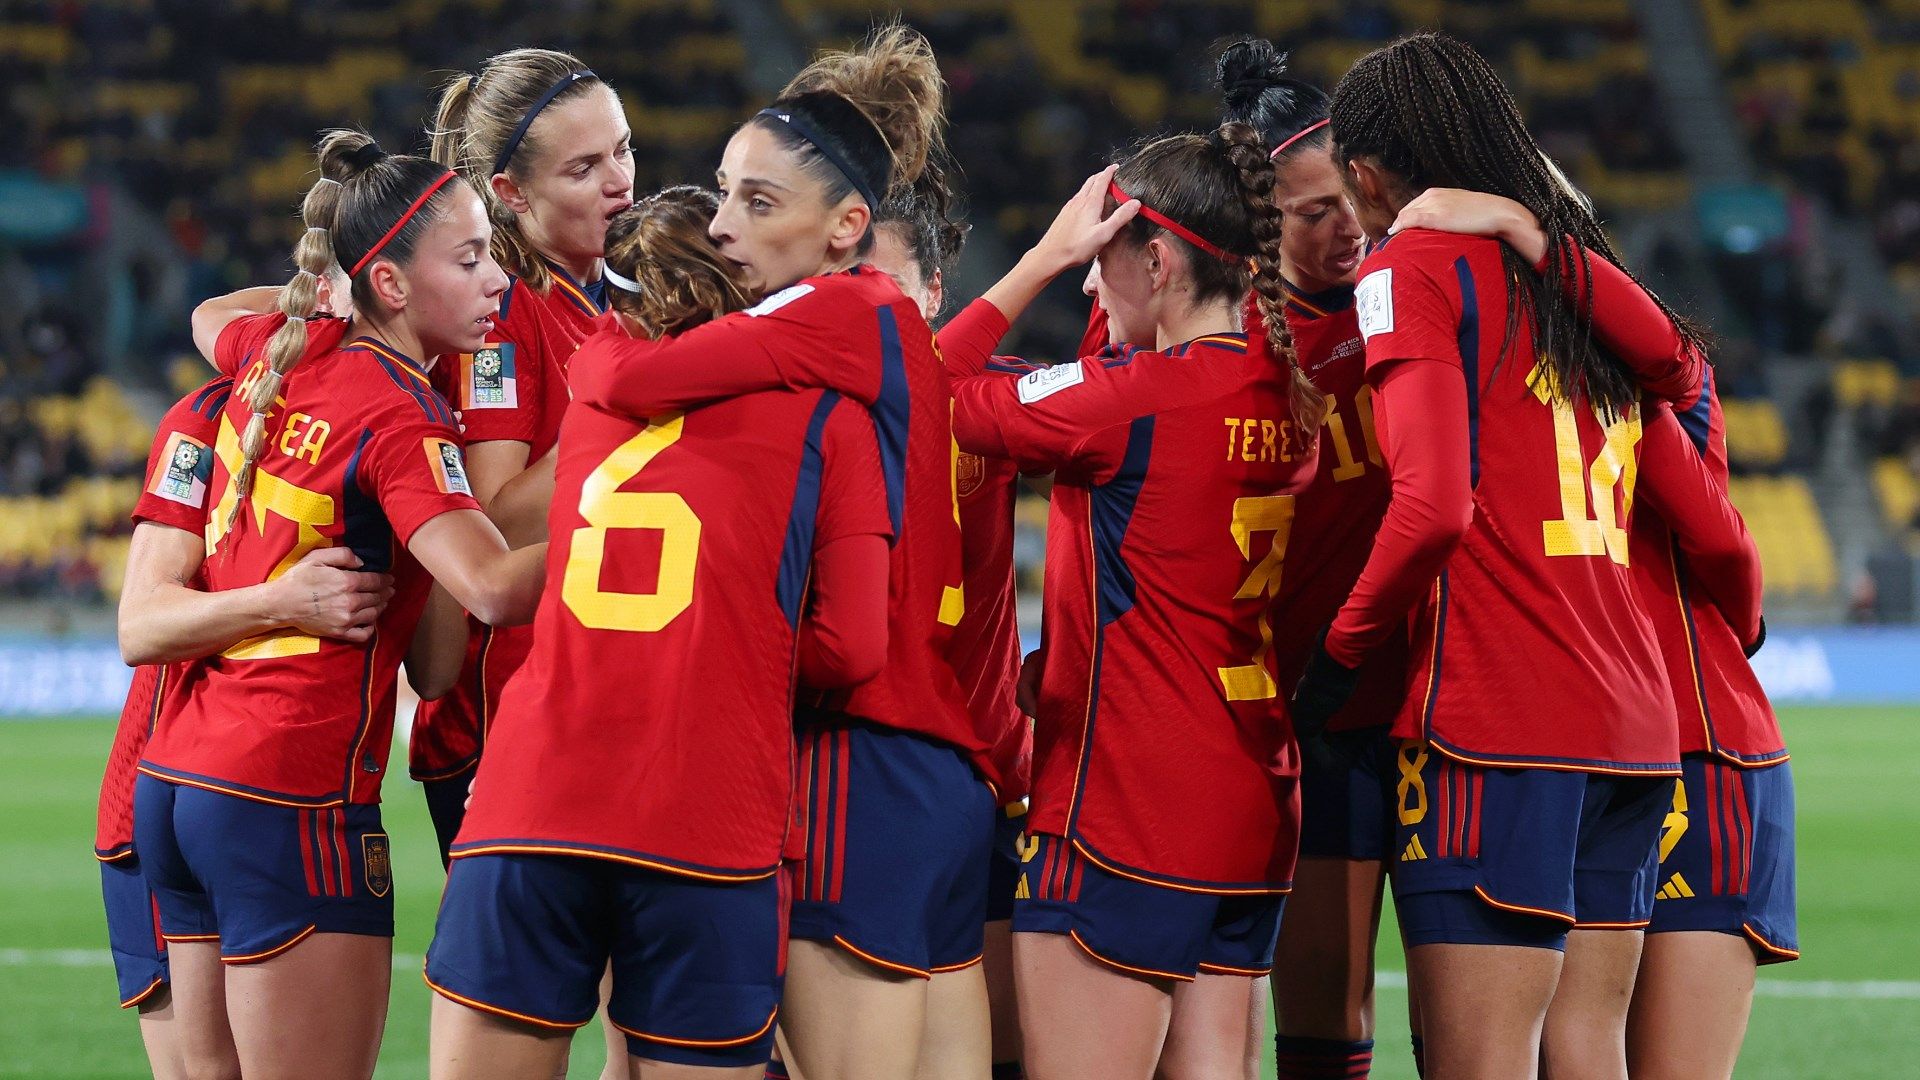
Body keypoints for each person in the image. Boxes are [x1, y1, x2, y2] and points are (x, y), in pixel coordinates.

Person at [1292, 32, 1761, 1079]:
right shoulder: (1573, 281)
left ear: (1367, 176)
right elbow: (1684, 369)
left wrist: (1339, 656)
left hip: (1497, 721)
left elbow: (1430, 507)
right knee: (1583, 1046)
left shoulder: (1403, 269)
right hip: (1635, 731)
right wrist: (1524, 224)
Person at [563, 26, 993, 1078]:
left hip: (856, 752)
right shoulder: (886, 325)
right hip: (936, 764)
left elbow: (623, 385)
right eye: (722, 193)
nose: (720, 227)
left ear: (848, 226)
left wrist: (609, 323)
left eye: (758, 204)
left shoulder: (836, 309)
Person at [424, 184, 892, 1080]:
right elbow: (852, 647)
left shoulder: (600, 397)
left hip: (531, 800)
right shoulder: (832, 421)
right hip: (705, 816)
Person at [135, 130, 547, 1080]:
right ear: (391, 286)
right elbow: (490, 584)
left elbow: (435, 665)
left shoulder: (284, 349)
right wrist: (632, 483)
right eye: (472, 257)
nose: (501, 285)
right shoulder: (402, 416)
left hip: (182, 784)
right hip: (292, 790)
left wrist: (328, 293)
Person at [920, 118, 1323, 1075]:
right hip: (1251, 787)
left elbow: (925, 389)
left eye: (1103, 260)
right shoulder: (1285, 388)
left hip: (1126, 799)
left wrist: (1039, 260)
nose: (1090, 284)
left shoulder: (1136, 402)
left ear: (1158, 259)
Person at [101, 371, 391, 1080]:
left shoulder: (380, 404)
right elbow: (141, 624)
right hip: (181, 789)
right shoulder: (207, 417)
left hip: (207, 785)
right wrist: (284, 601)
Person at [413, 47, 634, 862]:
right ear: (509, 193)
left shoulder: (614, 303)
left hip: (591, 696)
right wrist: (633, 393)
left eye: (623, 148)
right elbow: (492, 514)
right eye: (585, 167)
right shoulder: (501, 313)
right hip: (501, 717)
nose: (620, 181)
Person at [863, 181, 1033, 1080]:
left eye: (886, 288)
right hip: (859, 771)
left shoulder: (1000, 403)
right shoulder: (810, 411)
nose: (865, 307)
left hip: (991, 775)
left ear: (935, 292)